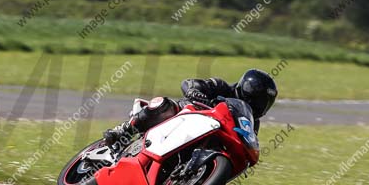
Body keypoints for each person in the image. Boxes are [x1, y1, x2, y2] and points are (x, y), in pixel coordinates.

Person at [103, 69, 278, 151]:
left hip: (205, 140)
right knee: (164, 104)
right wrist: (195, 92)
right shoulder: (222, 87)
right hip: (184, 115)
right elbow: (189, 83)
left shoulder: (252, 123)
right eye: (259, 99)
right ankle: (123, 130)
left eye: (265, 102)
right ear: (247, 91)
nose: (260, 105)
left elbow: (246, 144)